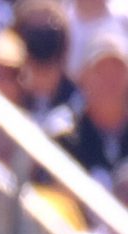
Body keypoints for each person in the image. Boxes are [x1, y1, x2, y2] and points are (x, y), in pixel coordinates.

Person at [54, 29, 128, 172]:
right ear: (83, 77)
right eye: (101, 71)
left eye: (117, 71)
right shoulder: (67, 136)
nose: (110, 81)